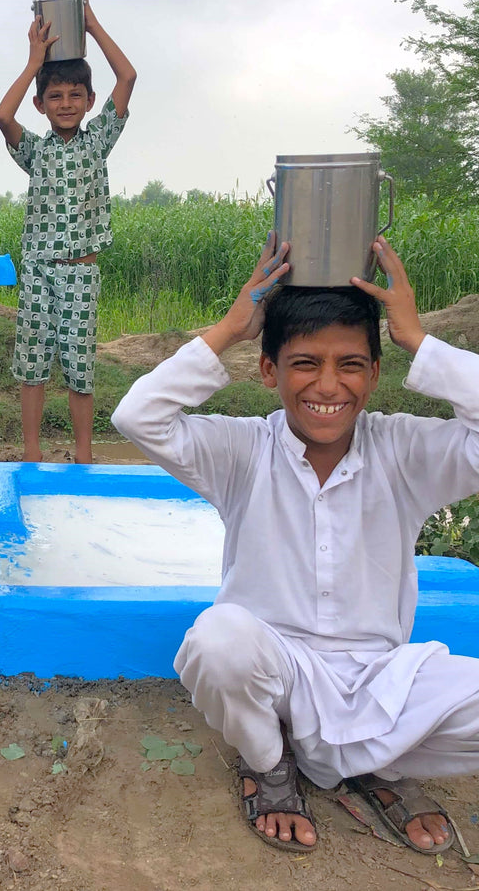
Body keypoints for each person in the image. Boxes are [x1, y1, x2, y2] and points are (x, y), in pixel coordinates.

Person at [111, 233, 479, 854]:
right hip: (274, 670)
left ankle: (368, 760)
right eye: (306, 363)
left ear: (376, 372)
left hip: (379, 677)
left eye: (351, 364)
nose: (329, 386)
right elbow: (137, 417)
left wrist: (418, 338)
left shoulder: (407, 451)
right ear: (268, 370)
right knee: (218, 640)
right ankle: (270, 764)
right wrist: (232, 326)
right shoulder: (242, 450)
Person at [0, 0, 135, 463]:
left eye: (76, 95)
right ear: (42, 104)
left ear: (91, 100)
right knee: (32, 367)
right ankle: (31, 453)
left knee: (80, 369)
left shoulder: (97, 141)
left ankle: (83, 456)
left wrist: (90, 23)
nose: (67, 103)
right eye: (55, 96)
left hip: (80, 272)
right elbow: (2, 115)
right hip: (37, 270)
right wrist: (35, 60)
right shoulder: (37, 152)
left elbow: (129, 75)